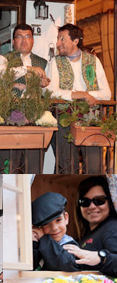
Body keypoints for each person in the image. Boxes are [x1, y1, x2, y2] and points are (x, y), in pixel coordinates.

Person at [47, 23, 111, 173]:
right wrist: (79, 94)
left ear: (75, 41)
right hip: (64, 118)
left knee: (94, 164)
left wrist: (89, 95)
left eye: (62, 39)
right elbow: (51, 91)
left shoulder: (93, 61)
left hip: (91, 118)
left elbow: (106, 94)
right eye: (58, 39)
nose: (58, 43)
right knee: (67, 163)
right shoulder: (55, 62)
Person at [0, 23, 50, 174]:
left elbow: (50, 89)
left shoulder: (43, 63)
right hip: (9, 117)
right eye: (19, 37)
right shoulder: (3, 59)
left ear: (33, 40)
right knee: (8, 163)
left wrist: (44, 86)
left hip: (35, 118)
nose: (24, 41)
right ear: (13, 41)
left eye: (28, 37)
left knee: (33, 164)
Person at [63, 175, 117, 276]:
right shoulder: (86, 235)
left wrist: (100, 258)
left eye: (99, 200)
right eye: (85, 202)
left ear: (110, 202)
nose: (92, 206)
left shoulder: (112, 227)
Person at [32, 192, 80, 271]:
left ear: (66, 218)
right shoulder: (38, 242)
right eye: (46, 224)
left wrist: (44, 238)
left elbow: (65, 264)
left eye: (58, 220)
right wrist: (34, 243)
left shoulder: (69, 244)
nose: (54, 228)